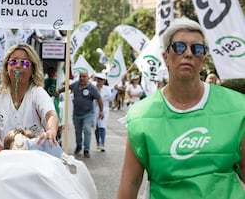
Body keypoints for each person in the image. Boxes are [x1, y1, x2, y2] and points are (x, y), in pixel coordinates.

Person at [116, 18, 245, 198]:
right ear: (165, 57)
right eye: (179, 47)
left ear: (203, 58)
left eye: (197, 48)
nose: (188, 53)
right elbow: (129, 183)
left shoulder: (238, 108)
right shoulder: (141, 116)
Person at [0, 44, 59, 153]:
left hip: (34, 158)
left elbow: (51, 115)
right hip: (5, 159)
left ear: (33, 69)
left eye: (25, 63)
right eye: (13, 61)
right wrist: (3, 155)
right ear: (6, 67)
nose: (18, 66)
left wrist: (51, 131)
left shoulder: (37, 93)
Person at [55, 70, 103, 158]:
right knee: (78, 132)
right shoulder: (75, 85)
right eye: (80, 76)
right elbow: (67, 87)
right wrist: (58, 92)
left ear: (88, 77)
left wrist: (101, 111)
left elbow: (99, 99)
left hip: (88, 114)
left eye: (84, 76)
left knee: (87, 129)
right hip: (77, 114)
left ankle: (86, 149)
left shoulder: (92, 88)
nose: (82, 78)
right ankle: (79, 146)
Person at [93, 72, 113, 152]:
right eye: (98, 79)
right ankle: (98, 142)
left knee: (102, 126)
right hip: (94, 109)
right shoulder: (93, 87)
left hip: (104, 109)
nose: (99, 81)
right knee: (96, 127)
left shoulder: (107, 89)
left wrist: (114, 91)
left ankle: (102, 144)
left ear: (104, 81)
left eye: (101, 80)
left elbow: (111, 99)